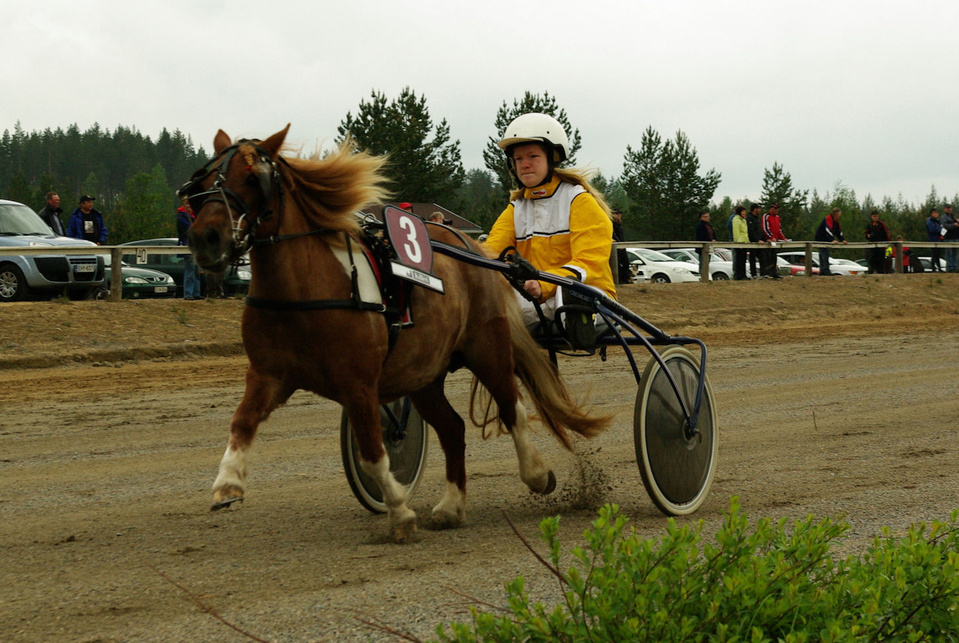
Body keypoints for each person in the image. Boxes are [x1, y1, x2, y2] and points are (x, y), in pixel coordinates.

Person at [483, 112, 615, 327]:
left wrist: (543, 284)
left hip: (589, 295)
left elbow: (589, 263)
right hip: (537, 298)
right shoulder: (516, 208)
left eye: (532, 156)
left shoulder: (579, 200)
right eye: (518, 159)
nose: (524, 164)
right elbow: (490, 254)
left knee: (565, 301)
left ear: (551, 159)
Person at [176, 198, 202, 300]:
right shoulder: (181, 216)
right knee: (190, 269)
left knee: (196, 270)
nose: (188, 206)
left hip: (197, 245)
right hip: (188, 245)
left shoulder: (195, 215)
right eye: (187, 204)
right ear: (184, 204)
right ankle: (188, 293)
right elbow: (189, 228)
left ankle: (196, 293)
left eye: (190, 204)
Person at [814, 207, 847, 275]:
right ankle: (825, 271)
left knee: (823, 254)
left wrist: (842, 239)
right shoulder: (828, 219)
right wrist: (832, 240)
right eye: (839, 215)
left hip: (826, 238)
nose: (839, 216)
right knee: (824, 254)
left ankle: (822, 271)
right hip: (821, 238)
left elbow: (839, 231)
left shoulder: (836, 221)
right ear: (835, 214)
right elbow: (828, 230)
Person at [760, 203, 786, 278]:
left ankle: (774, 272)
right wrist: (771, 237)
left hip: (775, 241)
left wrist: (783, 238)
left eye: (777, 209)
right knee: (767, 257)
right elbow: (765, 228)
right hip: (768, 241)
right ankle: (767, 272)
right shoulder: (766, 216)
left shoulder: (777, 217)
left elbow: (779, 229)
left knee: (774, 257)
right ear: (771, 208)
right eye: (775, 208)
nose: (776, 210)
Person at [864, 210, 890, 274]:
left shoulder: (881, 224)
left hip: (881, 245)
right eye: (874, 216)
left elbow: (886, 234)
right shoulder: (869, 225)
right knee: (872, 260)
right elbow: (866, 233)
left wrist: (887, 243)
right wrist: (868, 236)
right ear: (871, 217)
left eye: (876, 216)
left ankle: (881, 273)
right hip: (872, 246)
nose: (875, 217)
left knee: (881, 260)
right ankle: (872, 273)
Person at [745, 203, 763, 278]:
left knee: (762, 257)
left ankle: (763, 273)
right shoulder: (749, 218)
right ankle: (753, 274)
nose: (759, 210)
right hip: (752, 242)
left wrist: (762, 238)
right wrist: (756, 239)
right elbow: (751, 231)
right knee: (752, 258)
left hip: (760, 242)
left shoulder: (757, 218)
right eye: (758, 208)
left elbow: (759, 230)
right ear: (754, 209)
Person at [731, 205, 748, 280]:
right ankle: (738, 275)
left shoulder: (744, 220)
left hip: (744, 242)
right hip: (739, 242)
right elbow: (736, 231)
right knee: (739, 259)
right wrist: (737, 241)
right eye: (743, 211)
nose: (744, 213)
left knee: (743, 259)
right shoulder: (736, 220)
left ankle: (743, 274)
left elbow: (745, 232)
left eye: (745, 211)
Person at [941, 204, 959, 272]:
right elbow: (945, 226)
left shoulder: (952, 217)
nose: (949, 209)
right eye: (947, 208)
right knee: (948, 253)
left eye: (950, 208)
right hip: (948, 237)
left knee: (955, 253)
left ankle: (954, 267)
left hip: (956, 237)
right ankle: (949, 267)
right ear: (945, 209)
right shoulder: (944, 217)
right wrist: (953, 225)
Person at [926, 207, 942, 272]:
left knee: (937, 254)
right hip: (933, 240)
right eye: (934, 213)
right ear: (931, 214)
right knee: (934, 254)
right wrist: (940, 229)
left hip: (938, 240)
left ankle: (938, 268)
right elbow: (932, 230)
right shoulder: (929, 222)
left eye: (937, 213)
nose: (936, 214)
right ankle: (933, 268)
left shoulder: (938, 221)